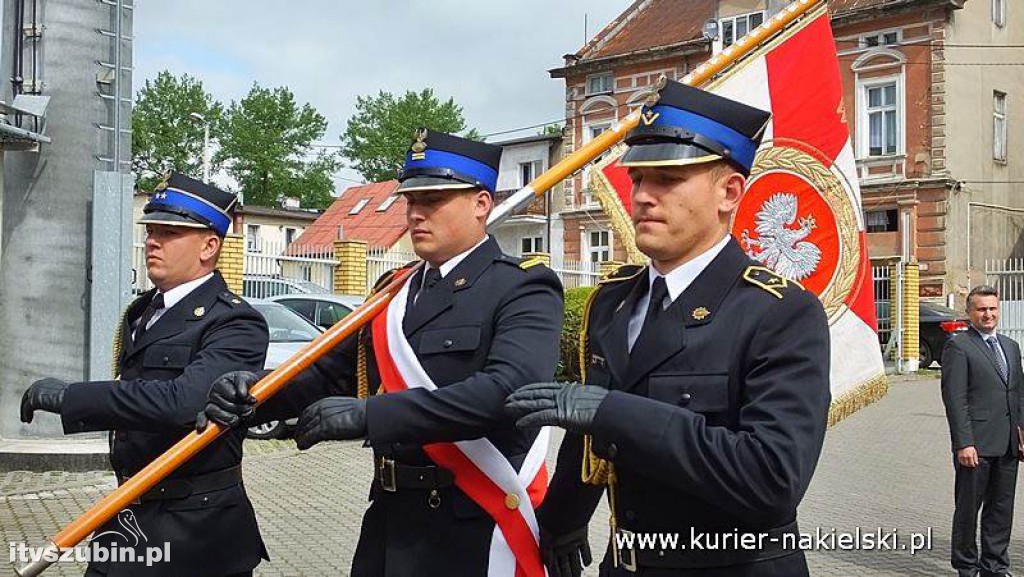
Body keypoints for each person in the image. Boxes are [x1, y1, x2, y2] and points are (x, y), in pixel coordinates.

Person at [505, 79, 831, 577]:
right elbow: (591, 437)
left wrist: (615, 411)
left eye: (667, 178)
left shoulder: (779, 312)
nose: (642, 197)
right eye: (637, 179)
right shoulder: (612, 302)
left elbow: (772, 478)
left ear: (729, 192)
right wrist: (558, 524)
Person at [203, 130, 564, 576]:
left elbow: (506, 392)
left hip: (474, 523)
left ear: (481, 204)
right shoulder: (392, 293)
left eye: (433, 200)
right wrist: (254, 395)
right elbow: (328, 374)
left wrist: (371, 415)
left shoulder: (523, 287)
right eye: (411, 201)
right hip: (390, 523)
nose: (416, 214)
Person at [20, 172, 269, 577]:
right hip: (128, 513)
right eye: (151, 229)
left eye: (170, 232)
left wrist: (72, 398)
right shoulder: (142, 311)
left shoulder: (235, 321)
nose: (153, 240)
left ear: (209, 246)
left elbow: (184, 403)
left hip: (196, 532)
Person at [941, 285, 1024, 577]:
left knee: (1001, 511)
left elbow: (1017, 395)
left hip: (1008, 446)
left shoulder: (1011, 347)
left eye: (992, 308)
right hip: (974, 447)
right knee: (968, 510)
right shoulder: (959, 346)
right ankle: (966, 566)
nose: (988, 314)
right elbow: (955, 399)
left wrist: (1021, 434)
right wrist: (964, 443)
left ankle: (995, 566)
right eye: (981, 309)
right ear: (969, 313)